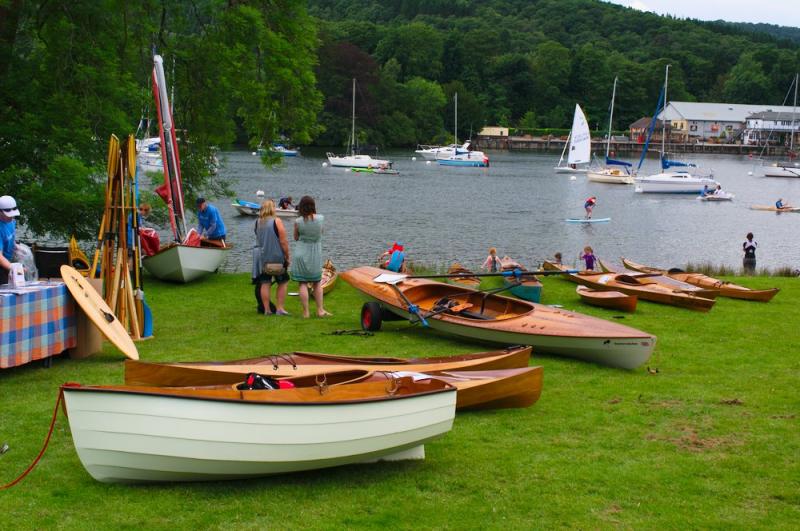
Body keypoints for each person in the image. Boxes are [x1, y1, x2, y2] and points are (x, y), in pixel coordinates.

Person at [290, 196, 331, 318]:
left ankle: (306, 312)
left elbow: (296, 238)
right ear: (313, 206)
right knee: (317, 282)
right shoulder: (321, 218)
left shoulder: (298, 221)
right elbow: (321, 233)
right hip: (315, 254)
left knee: (302, 283)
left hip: (301, 252)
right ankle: (320, 310)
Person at [252, 199, 290, 316]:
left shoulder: (258, 222)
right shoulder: (276, 221)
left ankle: (267, 310)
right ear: (272, 208)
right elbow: (283, 241)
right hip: (277, 257)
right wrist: (287, 256)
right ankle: (279, 308)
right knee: (283, 282)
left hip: (263, 258)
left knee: (265, 283)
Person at [0, 195, 20, 284]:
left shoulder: (11, 221)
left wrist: (16, 246)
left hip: (7, 261)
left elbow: (10, 236)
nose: (11, 217)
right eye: (8, 215)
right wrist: (15, 269)